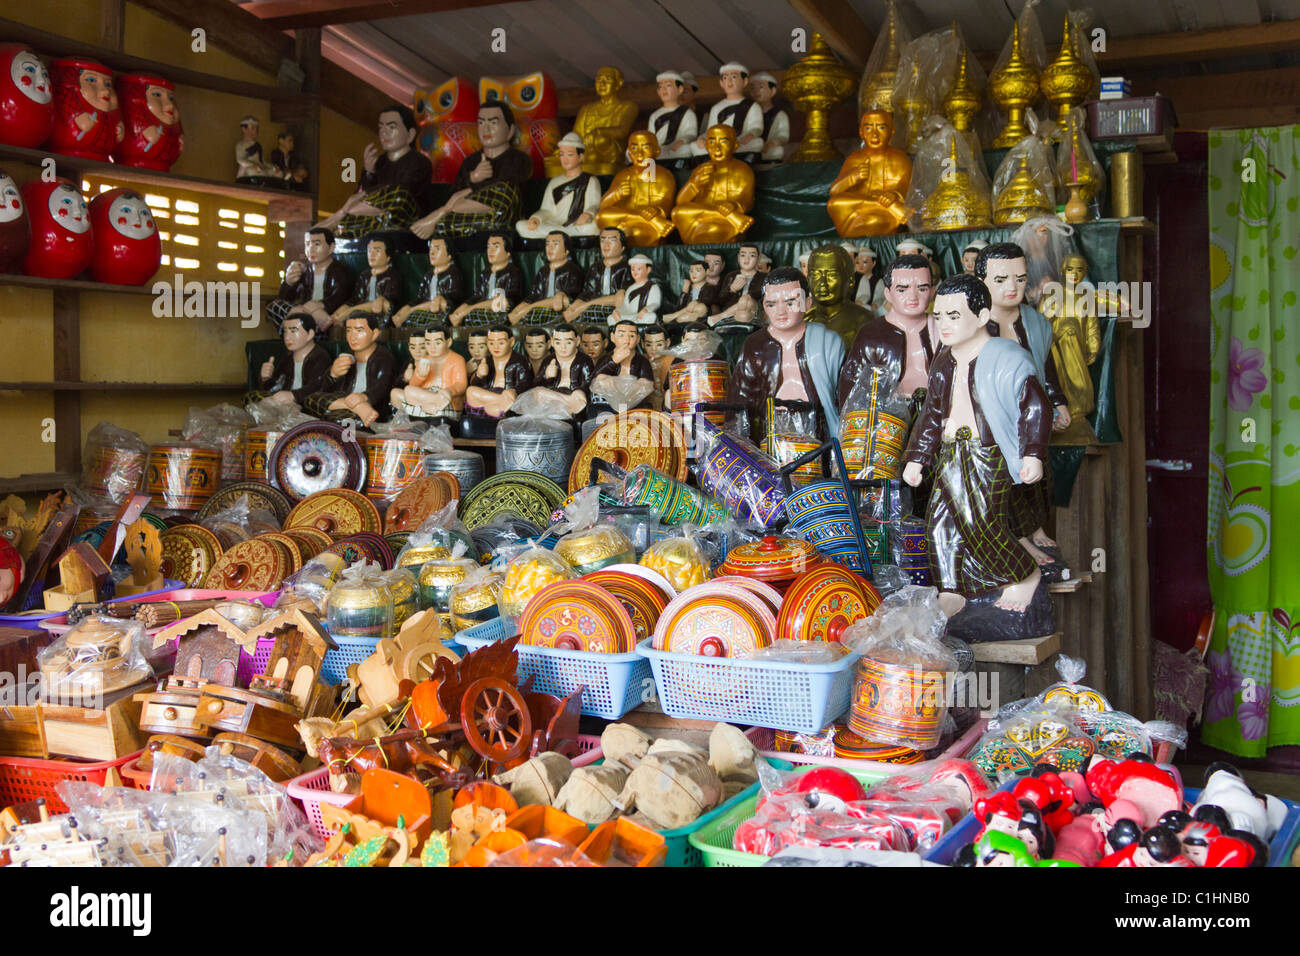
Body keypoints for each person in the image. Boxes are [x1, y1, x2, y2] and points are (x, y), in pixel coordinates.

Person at [901, 273, 1053, 638]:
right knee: (939, 525)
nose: (944, 324)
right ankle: (952, 589)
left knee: (981, 522)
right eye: (939, 316)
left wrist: (1033, 453)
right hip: (952, 453)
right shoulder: (945, 361)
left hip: (988, 454)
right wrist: (917, 457)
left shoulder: (1006, 357)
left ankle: (1025, 574)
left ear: (982, 315)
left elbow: (1036, 408)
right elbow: (932, 416)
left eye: (954, 315)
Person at [976, 242, 1071, 575]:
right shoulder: (975, 324)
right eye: (1001, 280)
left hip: (1030, 413)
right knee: (1004, 473)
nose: (1012, 287)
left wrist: (1057, 401)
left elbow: (1047, 369)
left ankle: (1035, 526)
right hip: (988, 416)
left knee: (1038, 471)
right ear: (983, 281)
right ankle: (1016, 535)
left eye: (1019, 278)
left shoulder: (1035, 323)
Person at [728, 267, 846, 442]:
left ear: (808, 303)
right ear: (764, 307)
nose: (780, 311)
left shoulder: (829, 343)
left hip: (819, 430)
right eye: (771, 304)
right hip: (769, 431)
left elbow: (846, 398)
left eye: (790, 303)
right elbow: (741, 400)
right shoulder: (755, 346)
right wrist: (740, 443)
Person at [412, 101, 532, 239]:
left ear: (510, 131)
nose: (486, 129)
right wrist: (473, 178)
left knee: (506, 191)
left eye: (493, 123)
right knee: (445, 225)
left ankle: (442, 212)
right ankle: (445, 214)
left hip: (502, 216)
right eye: (481, 123)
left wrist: (456, 200)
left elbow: (506, 193)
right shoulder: (471, 161)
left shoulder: (518, 159)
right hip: (471, 217)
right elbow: (455, 192)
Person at [838, 252, 936, 408]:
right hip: (885, 418)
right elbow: (851, 386)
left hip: (935, 413)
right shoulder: (871, 334)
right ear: (888, 293)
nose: (913, 297)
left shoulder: (942, 329)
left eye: (922, 289)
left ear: (932, 291)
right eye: (902, 290)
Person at [318, 104, 432, 237]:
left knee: (398, 195)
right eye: (381, 127)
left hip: (406, 221)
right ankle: (340, 218)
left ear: (410, 134)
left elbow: (401, 197)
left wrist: (352, 203)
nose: (384, 132)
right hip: (374, 219)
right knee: (347, 224)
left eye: (391, 127)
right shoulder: (380, 162)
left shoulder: (420, 162)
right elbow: (360, 195)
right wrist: (368, 172)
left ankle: (340, 215)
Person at [305, 310, 399, 426]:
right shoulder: (347, 356)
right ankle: (358, 408)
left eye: (359, 331)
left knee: (337, 420)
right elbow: (325, 389)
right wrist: (333, 375)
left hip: (373, 406)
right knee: (311, 399)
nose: (352, 337)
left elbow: (383, 387)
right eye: (349, 331)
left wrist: (364, 397)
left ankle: (359, 409)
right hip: (347, 402)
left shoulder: (384, 358)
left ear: (374, 334)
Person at [827, 109, 911, 237]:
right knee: (834, 203)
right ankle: (878, 204)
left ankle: (864, 224)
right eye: (868, 128)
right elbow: (834, 191)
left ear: (891, 132)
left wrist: (895, 194)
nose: (874, 135)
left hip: (884, 213)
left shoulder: (900, 158)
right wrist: (853, 177)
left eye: (881, 127)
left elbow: (908, 186)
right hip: (870, 208)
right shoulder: (855, 158)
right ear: (861, 132)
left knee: (875, 221)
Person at [672, 124, 755, 244]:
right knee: (677, 211)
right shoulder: (701, 170)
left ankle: (728, 217)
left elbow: (747, 202)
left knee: (714, 230)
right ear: (705, 146)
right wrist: (693, 185)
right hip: (703, 219)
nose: (717, 148)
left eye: (723, 142)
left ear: (735, 145)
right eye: (711, 143)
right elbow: (680, 203)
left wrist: (733, 205)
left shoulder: (742, 169)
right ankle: (725, 215)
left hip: (725, 223)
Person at [595, 130, 677, 246]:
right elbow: (604, 206)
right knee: (601, 216)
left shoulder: (663, 175)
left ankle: (646, 219)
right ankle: (643, 218)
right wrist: (617, 193)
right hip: (634, 221)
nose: (639, 153)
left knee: (636, 233)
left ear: (657, 151)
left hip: (646, 226)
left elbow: (666, 203)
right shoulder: (623, 175)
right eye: (634, 148)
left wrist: (657, 210)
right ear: (628, 153)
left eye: (645, 147)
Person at [267, 226, 352, 333]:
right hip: (307, 316)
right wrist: (288, 283)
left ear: (331, 248)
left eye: (317, 244)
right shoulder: (304, 272)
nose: (311, 249)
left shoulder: (340, 271)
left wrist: (320, 306)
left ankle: (305, 328)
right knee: (274, 306)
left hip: (326, 316)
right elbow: (285, 299)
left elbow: (340, 296)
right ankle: (303, 326)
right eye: (307, 244)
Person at [516, 132, 600, 239]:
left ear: (580, 157)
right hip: (555, 224)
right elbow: (547, 210)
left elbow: (595, 205)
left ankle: (559, 234)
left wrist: (588, 214)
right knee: (521, 225)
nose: (565, 159)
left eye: (569, 155)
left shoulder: (590, 180)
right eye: (561, 154)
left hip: (577, 225)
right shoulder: (554, 182)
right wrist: (537, 218)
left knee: (593, 227)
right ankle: (563, 233)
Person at [246, 311, 331, 410]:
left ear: (310, 334)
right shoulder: (288, 358)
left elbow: (319, 386)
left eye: (293, 331)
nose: (287, 337)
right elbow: (276, 386)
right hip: (285, 399)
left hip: (305, 401)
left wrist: (294, 395)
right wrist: (266, 379)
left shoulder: (320, 357)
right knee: (251, 396)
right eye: (285, 331)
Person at [568, 66, 638, 176]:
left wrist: (598, 133)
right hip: (585, 150)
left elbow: (622, 131)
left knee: (600, 141)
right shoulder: (586, 109)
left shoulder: (627, 107)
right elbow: (576, 136)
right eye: (599, 80)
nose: (602, 83)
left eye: (608, 79)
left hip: (608, 152)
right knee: (559, 154)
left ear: (618, 83)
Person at [449, 231, 526, 328]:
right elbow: (478, 296)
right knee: (459, 311)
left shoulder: (513, 271)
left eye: (496, 247)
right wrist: (461, 309)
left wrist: (469, 309)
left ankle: (469, 312)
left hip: (500, 307)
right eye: (489, 247)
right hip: (483, 306)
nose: (490, 251)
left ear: (508, 253)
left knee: (501, 301)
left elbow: (511, 297)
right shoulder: (485, 273)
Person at [392, 324, 468, 421]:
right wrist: (420, 376)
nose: (432, 347)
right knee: (408, 390)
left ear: (448, 342)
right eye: (428, 343)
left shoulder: (457, 359)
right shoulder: (424, 360)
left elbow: (461, 384)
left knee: (444, 397)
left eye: (437, 343)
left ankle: (431, 406)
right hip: (429, 398)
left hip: (447, 398)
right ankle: (433, 404)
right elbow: (413, 385)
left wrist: (449, 390)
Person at [509, 230, 584, 327]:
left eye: (555, 244)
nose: (550, 248)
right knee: (521, 307)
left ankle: (528, 310)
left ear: (566, 251)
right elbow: (536, 294)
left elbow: (572, 294)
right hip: (542, 305)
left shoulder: (572, 269)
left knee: (561, 300)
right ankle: (521, 313)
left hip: (561, 306)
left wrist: (561, 294)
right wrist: (521, 306)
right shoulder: (543, 271)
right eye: (548, 244)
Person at [804, 244, 870, 350]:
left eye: (831, 275)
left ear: (850, 281)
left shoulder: (864, 321)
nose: (822, 283)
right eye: (815, 275)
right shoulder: (800, 320)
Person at [693, 62, 763, 161]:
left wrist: (750, 135)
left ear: (745, 81)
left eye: (734, 77)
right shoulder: (716, 107)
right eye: (725, 78)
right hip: (718, 144)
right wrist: (702, 138)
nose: (729, 81)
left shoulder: (752, 106)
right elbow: (711, 130)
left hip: (739, 142)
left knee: (758, 142)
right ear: (721, 83)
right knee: (694, 146)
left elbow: (756, 127)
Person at [465, 323, 534, 423]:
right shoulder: (487, 361)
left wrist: (514, 390)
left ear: (511, 342)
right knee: (470, 391)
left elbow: (526, 384)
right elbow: (477, 386)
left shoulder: (520, 361)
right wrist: (479, 375)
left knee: (510, 398)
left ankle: (498, 408)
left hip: (509, 396)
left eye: (501, 343)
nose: (495, 347)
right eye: (491, 343)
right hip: (494, 398)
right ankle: (498, 405)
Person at [393, 237, 465, 332]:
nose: (432, 253)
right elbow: (422, 297)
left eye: (437, 249)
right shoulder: (428, 275)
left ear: (449, 255)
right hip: (427, 307)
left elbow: (455, 296)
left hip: (442, 308)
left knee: (441, 304)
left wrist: (439, 299)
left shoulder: (453, 273)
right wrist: (407, 307)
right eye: (431, 249)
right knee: (404, 314)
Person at [332, 234, 403, 331]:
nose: (371, 255)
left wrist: (348, 312)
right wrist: (342, 309)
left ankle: (348, 314)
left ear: (388, 256)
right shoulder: (364, 275)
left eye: (377, 251)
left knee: (381, 305)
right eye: (369, 251)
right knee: (337, 316)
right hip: (362, 307)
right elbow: (357, 297)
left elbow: (392, 298)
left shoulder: (392, 275)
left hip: (379, 309)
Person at [563, 227, 632, 325]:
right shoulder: (595, 268)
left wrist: (585, 306)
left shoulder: (628, 267)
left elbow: (622, 296)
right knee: (572, 313)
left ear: (622, 247)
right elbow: (588, 292)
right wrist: (573, 307)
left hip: (615, 307)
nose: (606, 245)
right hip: (595, 305)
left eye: (612, 240)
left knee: (620, 296)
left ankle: (584, 309)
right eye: (603, 240)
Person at [590, 319, 656, 416]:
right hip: (608, 404)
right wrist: (613, 361)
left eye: (632, 336)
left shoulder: (642, 361)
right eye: (621, 335)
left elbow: (647, 384)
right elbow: (594, 379)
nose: (627, 339)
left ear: (638, 339)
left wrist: (633, 392)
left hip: (634, 403)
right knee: (602, 379)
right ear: (612, 337)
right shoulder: (606, 359)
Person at [533, 323, 595, 418]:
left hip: (573, 393)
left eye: (568, 342)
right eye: (558, 342)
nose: (563, 347)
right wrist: (546, 376)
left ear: (577, 341)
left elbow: (589, 383)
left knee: (579, 395)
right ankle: (567, 402)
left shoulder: (584, 360)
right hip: (555, 394)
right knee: (538, 392)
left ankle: (566, 405)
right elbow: (537, 383)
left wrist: (579, 390)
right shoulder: (548, 360)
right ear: (552, 342)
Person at [648, 71, 697, 165]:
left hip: (676, 149)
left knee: (688, 148)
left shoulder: (687, 113)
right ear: (657, 91)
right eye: (660, 87)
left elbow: (691, 133)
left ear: (680, 89)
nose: (663, 90)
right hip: (659, 149)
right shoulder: (654, 115)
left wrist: (682, 141)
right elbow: (650, 136)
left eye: (668, 85)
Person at [712, 243, 762, 325]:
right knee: (743, 316)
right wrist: (732, 290)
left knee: (746, 298)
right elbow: (721, 300)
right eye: (743, 255)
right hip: (735, 313)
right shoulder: (730, 276)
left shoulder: (764, 277)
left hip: (753, 310)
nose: (747, 259)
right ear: (738, 257)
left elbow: (764, 297)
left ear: (758, 259)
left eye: (752, 256)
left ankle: (721, 317)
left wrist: (750, 296)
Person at [749, 71, 789, 165]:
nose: (756, 91)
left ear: (773, 91)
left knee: (778, 151)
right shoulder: (749, 113)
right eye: (753, 88)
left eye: (761, 87)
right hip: (753, 149)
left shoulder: (779, 114)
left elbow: (783, 135)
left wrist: (771, 144)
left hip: (769, 151)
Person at [663, 259, 719, 325]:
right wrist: (684, 292)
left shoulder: (710, 287)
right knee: (685, 316)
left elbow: (707, 301)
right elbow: (680, 307)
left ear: (706, 272)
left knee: (701, 307)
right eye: (691, 271)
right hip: (687, 314)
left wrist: (696, 302)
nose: (693, 273)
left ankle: (674, 317)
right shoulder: (689, 288)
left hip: (702, 315)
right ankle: (678, 319)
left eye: (698, 270)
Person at [612, 254, 661, 326]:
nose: (635, 272)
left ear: (648, 270)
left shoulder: (653, 286)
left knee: (651, 316)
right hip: (629, 316)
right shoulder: (630, 288)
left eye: (639, 269)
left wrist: (646, 309)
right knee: (611, 318)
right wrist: (618, 311)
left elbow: (656, 303)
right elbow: (625, 306)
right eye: (633, 269)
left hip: (642, 316)